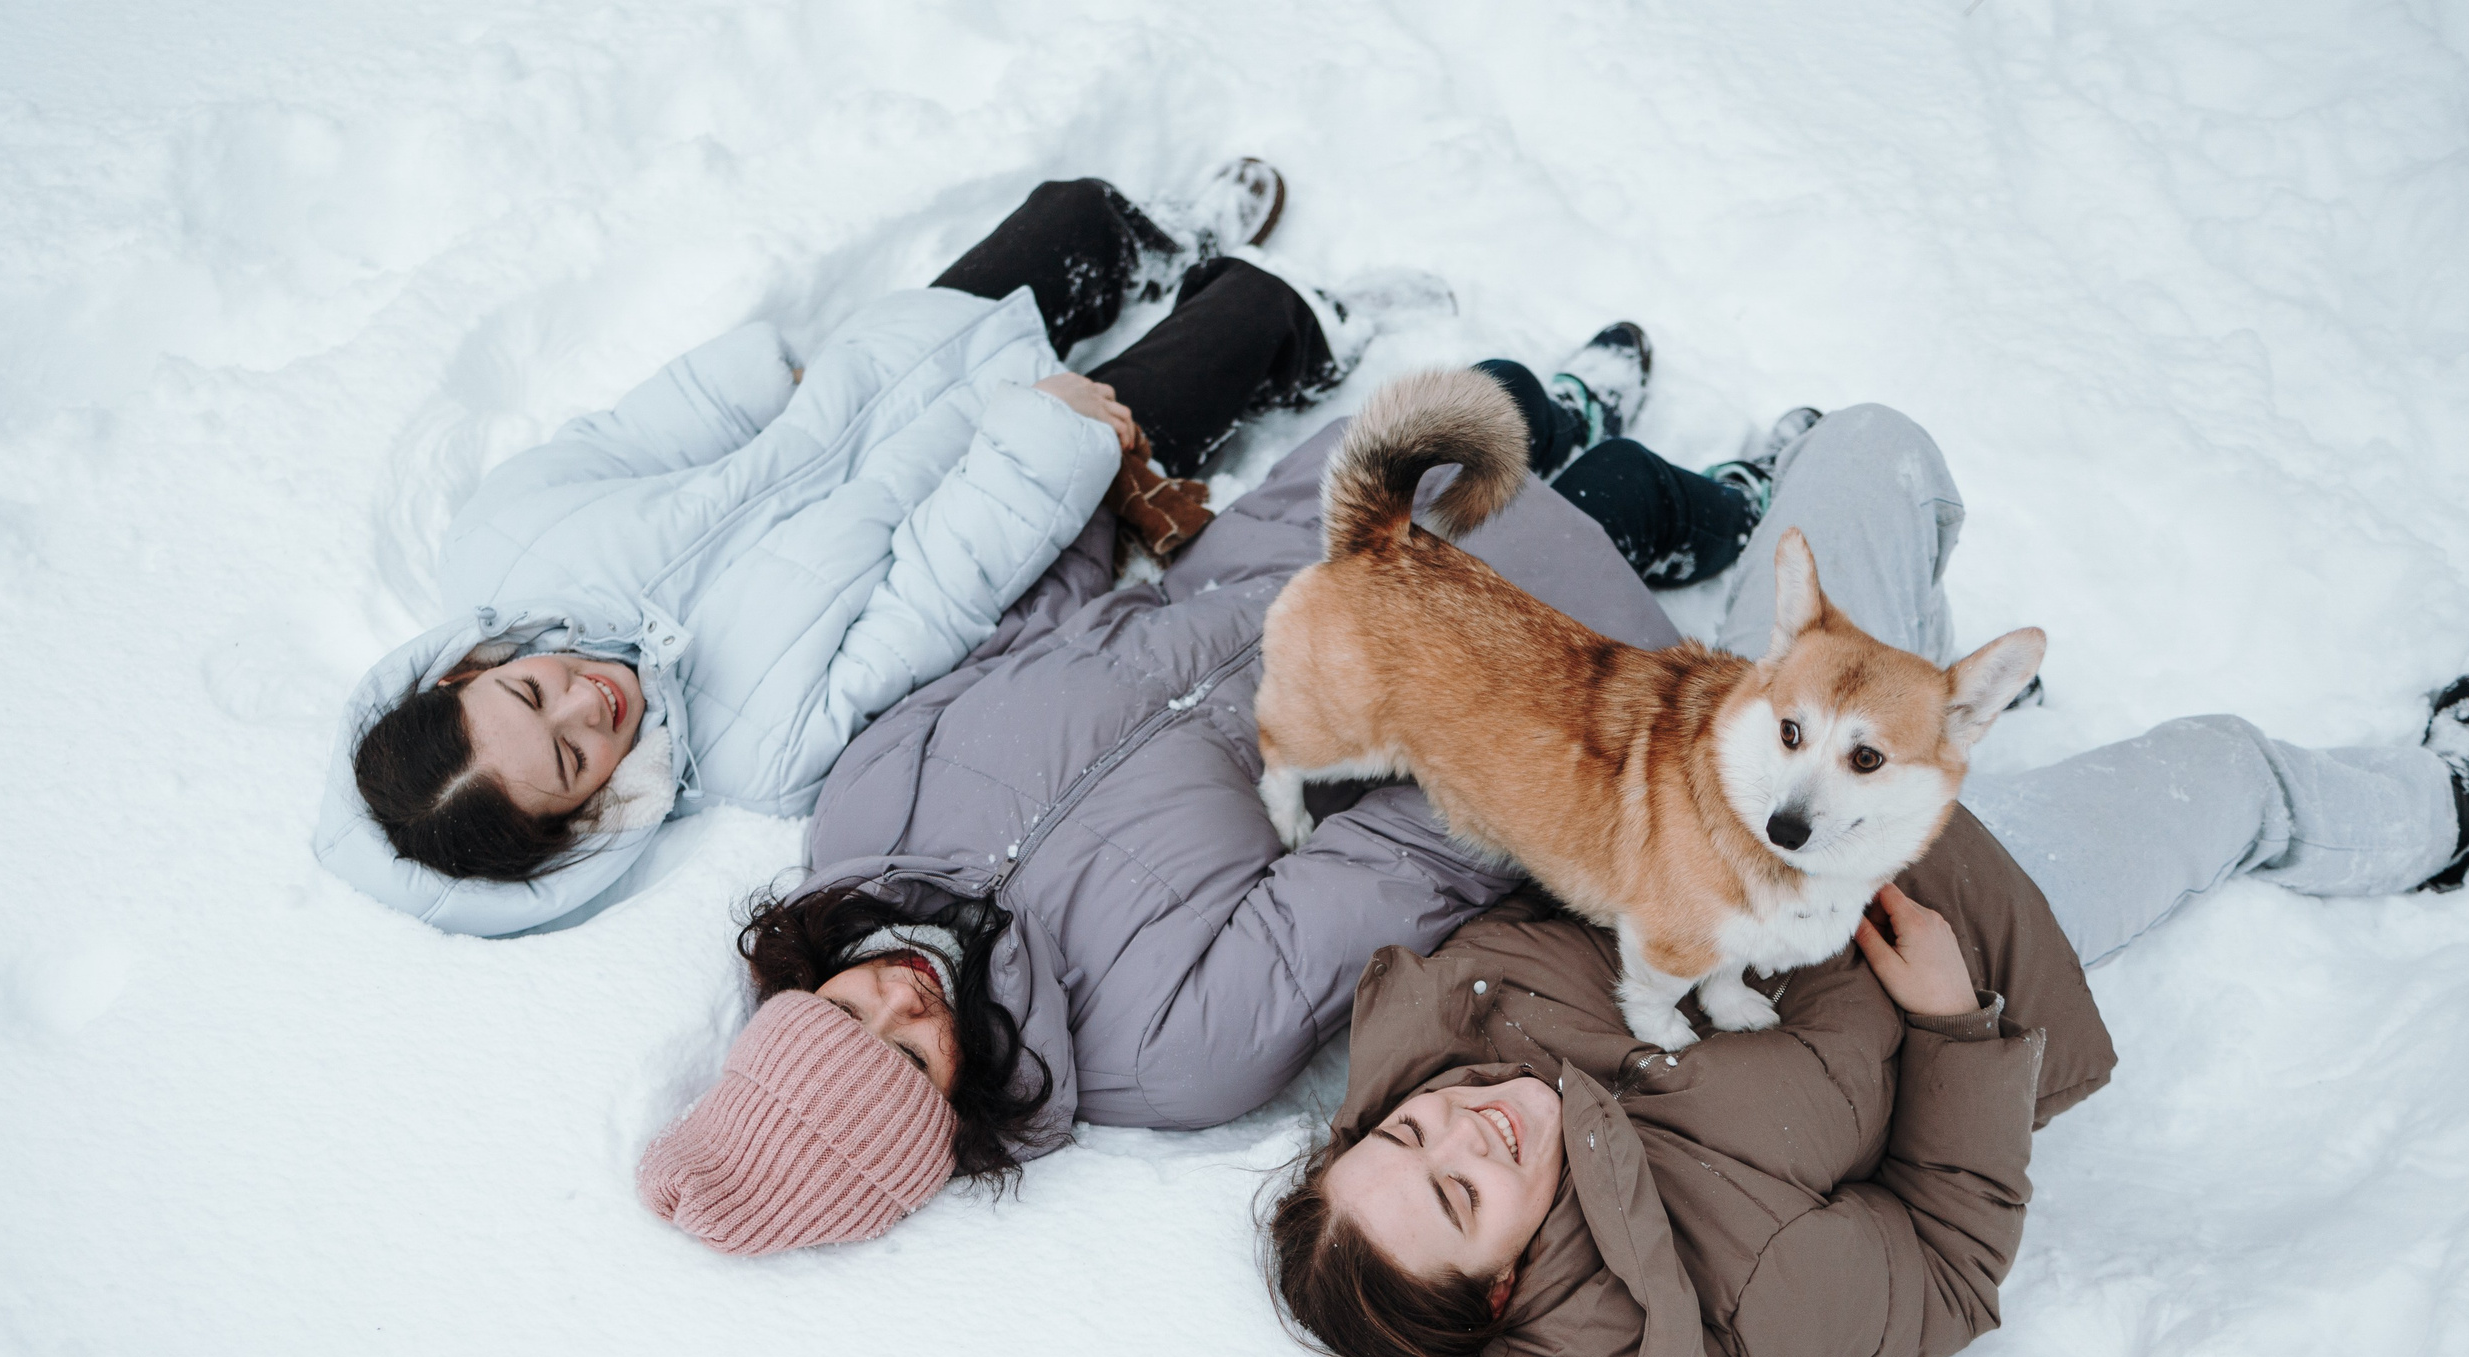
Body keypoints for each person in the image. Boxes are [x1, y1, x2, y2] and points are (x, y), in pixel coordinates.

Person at [1260, 408, 2469, 1357]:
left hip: (1769, 739)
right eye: (1461, 1190)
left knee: (1872, 449)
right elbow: (1950, 1266)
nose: (1462, 1122)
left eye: (1406, 1131)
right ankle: (2442, 808)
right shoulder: (1735, 1292)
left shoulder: (1447, 1013)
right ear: (1501, 1284)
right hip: (1974, 906)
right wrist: (1953, 1027)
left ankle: (1937, 720)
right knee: (2226, 772)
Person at [634, 325, 1812, 1250]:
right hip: (1467, 658)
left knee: (1483, 402)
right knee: (1607, 506)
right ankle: (1727, 499)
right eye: (906, 1056)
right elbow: (1410, 861)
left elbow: (1023, 640)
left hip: (1286, 544)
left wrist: (1092, 514)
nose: (898, 999)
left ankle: (1563, 402)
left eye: (846, 1012)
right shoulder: (1167, 1045)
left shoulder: (860, 820)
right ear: (953, 1113)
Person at [315, 161, 1402, 936]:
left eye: (529, 692)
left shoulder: (505, 545)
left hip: (869, 377)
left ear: (470, 669)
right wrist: (1047, 435)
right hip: (1005, 473)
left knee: (1072, 218)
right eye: (569, 758)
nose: (583, 704)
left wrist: (772, 393)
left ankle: (1151, 242)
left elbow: (640, 433)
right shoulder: (761, 752)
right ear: (589, 814)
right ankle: (1303, 329)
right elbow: (931, 595)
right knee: (1233, 329)